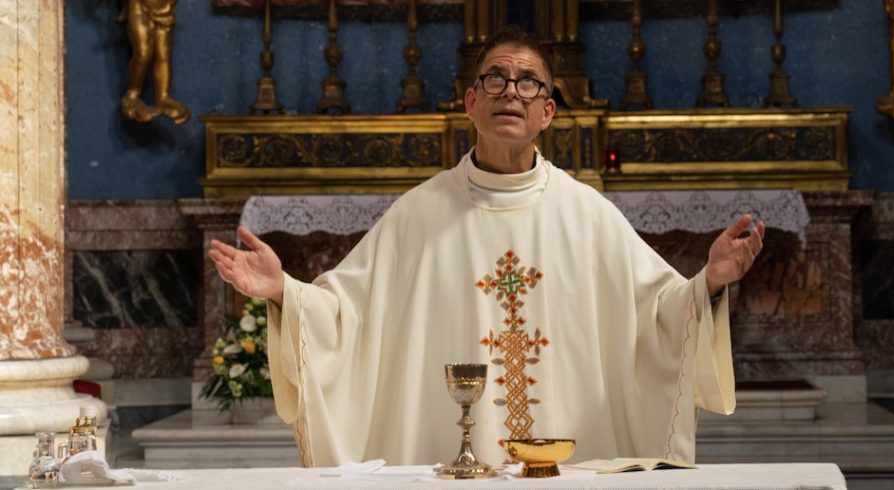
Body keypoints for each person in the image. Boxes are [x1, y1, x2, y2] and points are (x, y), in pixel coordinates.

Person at [209, 28, 765, 468]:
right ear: (471, 102)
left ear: (547, 112)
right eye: (495, 80)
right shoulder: (419, 214)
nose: (510, 92)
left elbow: (658, 314)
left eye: (528, 83)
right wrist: (284, 291)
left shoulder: (586, 213)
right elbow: (348, 315)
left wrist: (709, 281)